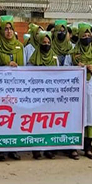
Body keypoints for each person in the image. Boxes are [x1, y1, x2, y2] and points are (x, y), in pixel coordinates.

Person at [65, 23, 92, 160]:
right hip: (76, 89)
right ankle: (73, 147)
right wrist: (76, 67)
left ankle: (88, 147)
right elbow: (65, 70)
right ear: (79, 37)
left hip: (91, 87)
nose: (86, 38)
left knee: (90, 117)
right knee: (76, 116)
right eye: (84, 35)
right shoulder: (72, 53)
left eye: (88, 36)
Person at [26, 29, 60, 160]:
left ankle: (49, 149)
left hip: (50, 95)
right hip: (37, 94)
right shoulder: (33, 59)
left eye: (48, 42)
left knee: (49, 121)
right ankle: (36, 149)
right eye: (43, 42)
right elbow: (28, 77)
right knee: (37, 121)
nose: (46, 44)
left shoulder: (55, 57)